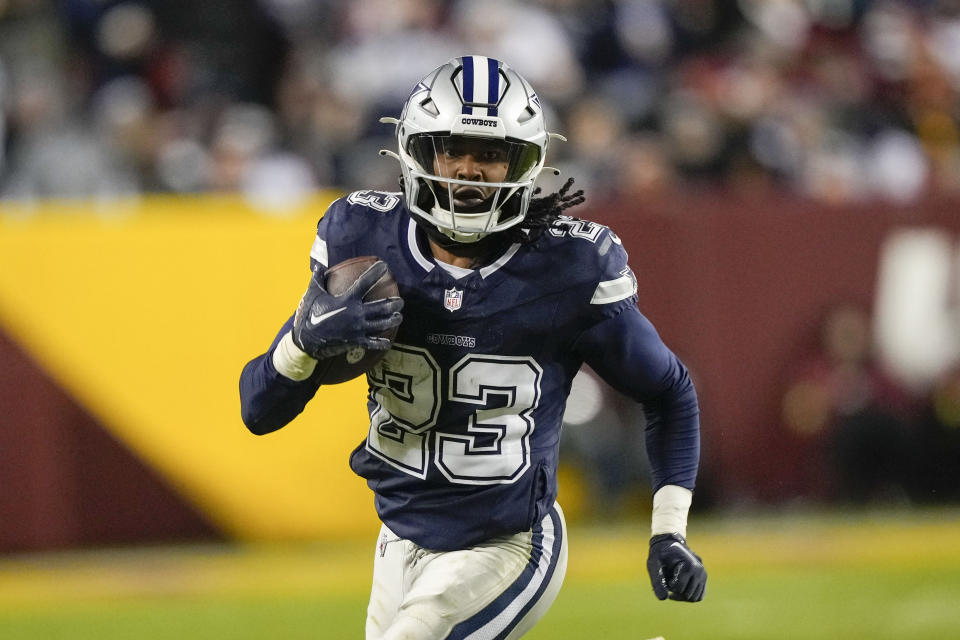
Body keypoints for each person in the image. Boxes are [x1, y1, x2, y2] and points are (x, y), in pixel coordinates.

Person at [239, 55, 706, 639]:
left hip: (510, 543)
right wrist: (304, 344)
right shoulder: (360, 241)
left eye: (490, 154)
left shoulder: (569, 268)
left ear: (525, 164)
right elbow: (257, 410)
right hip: (399, 539)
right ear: (416, 152)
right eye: (448, 148)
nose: (467, 169)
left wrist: (669, 530)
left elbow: (670, 392)